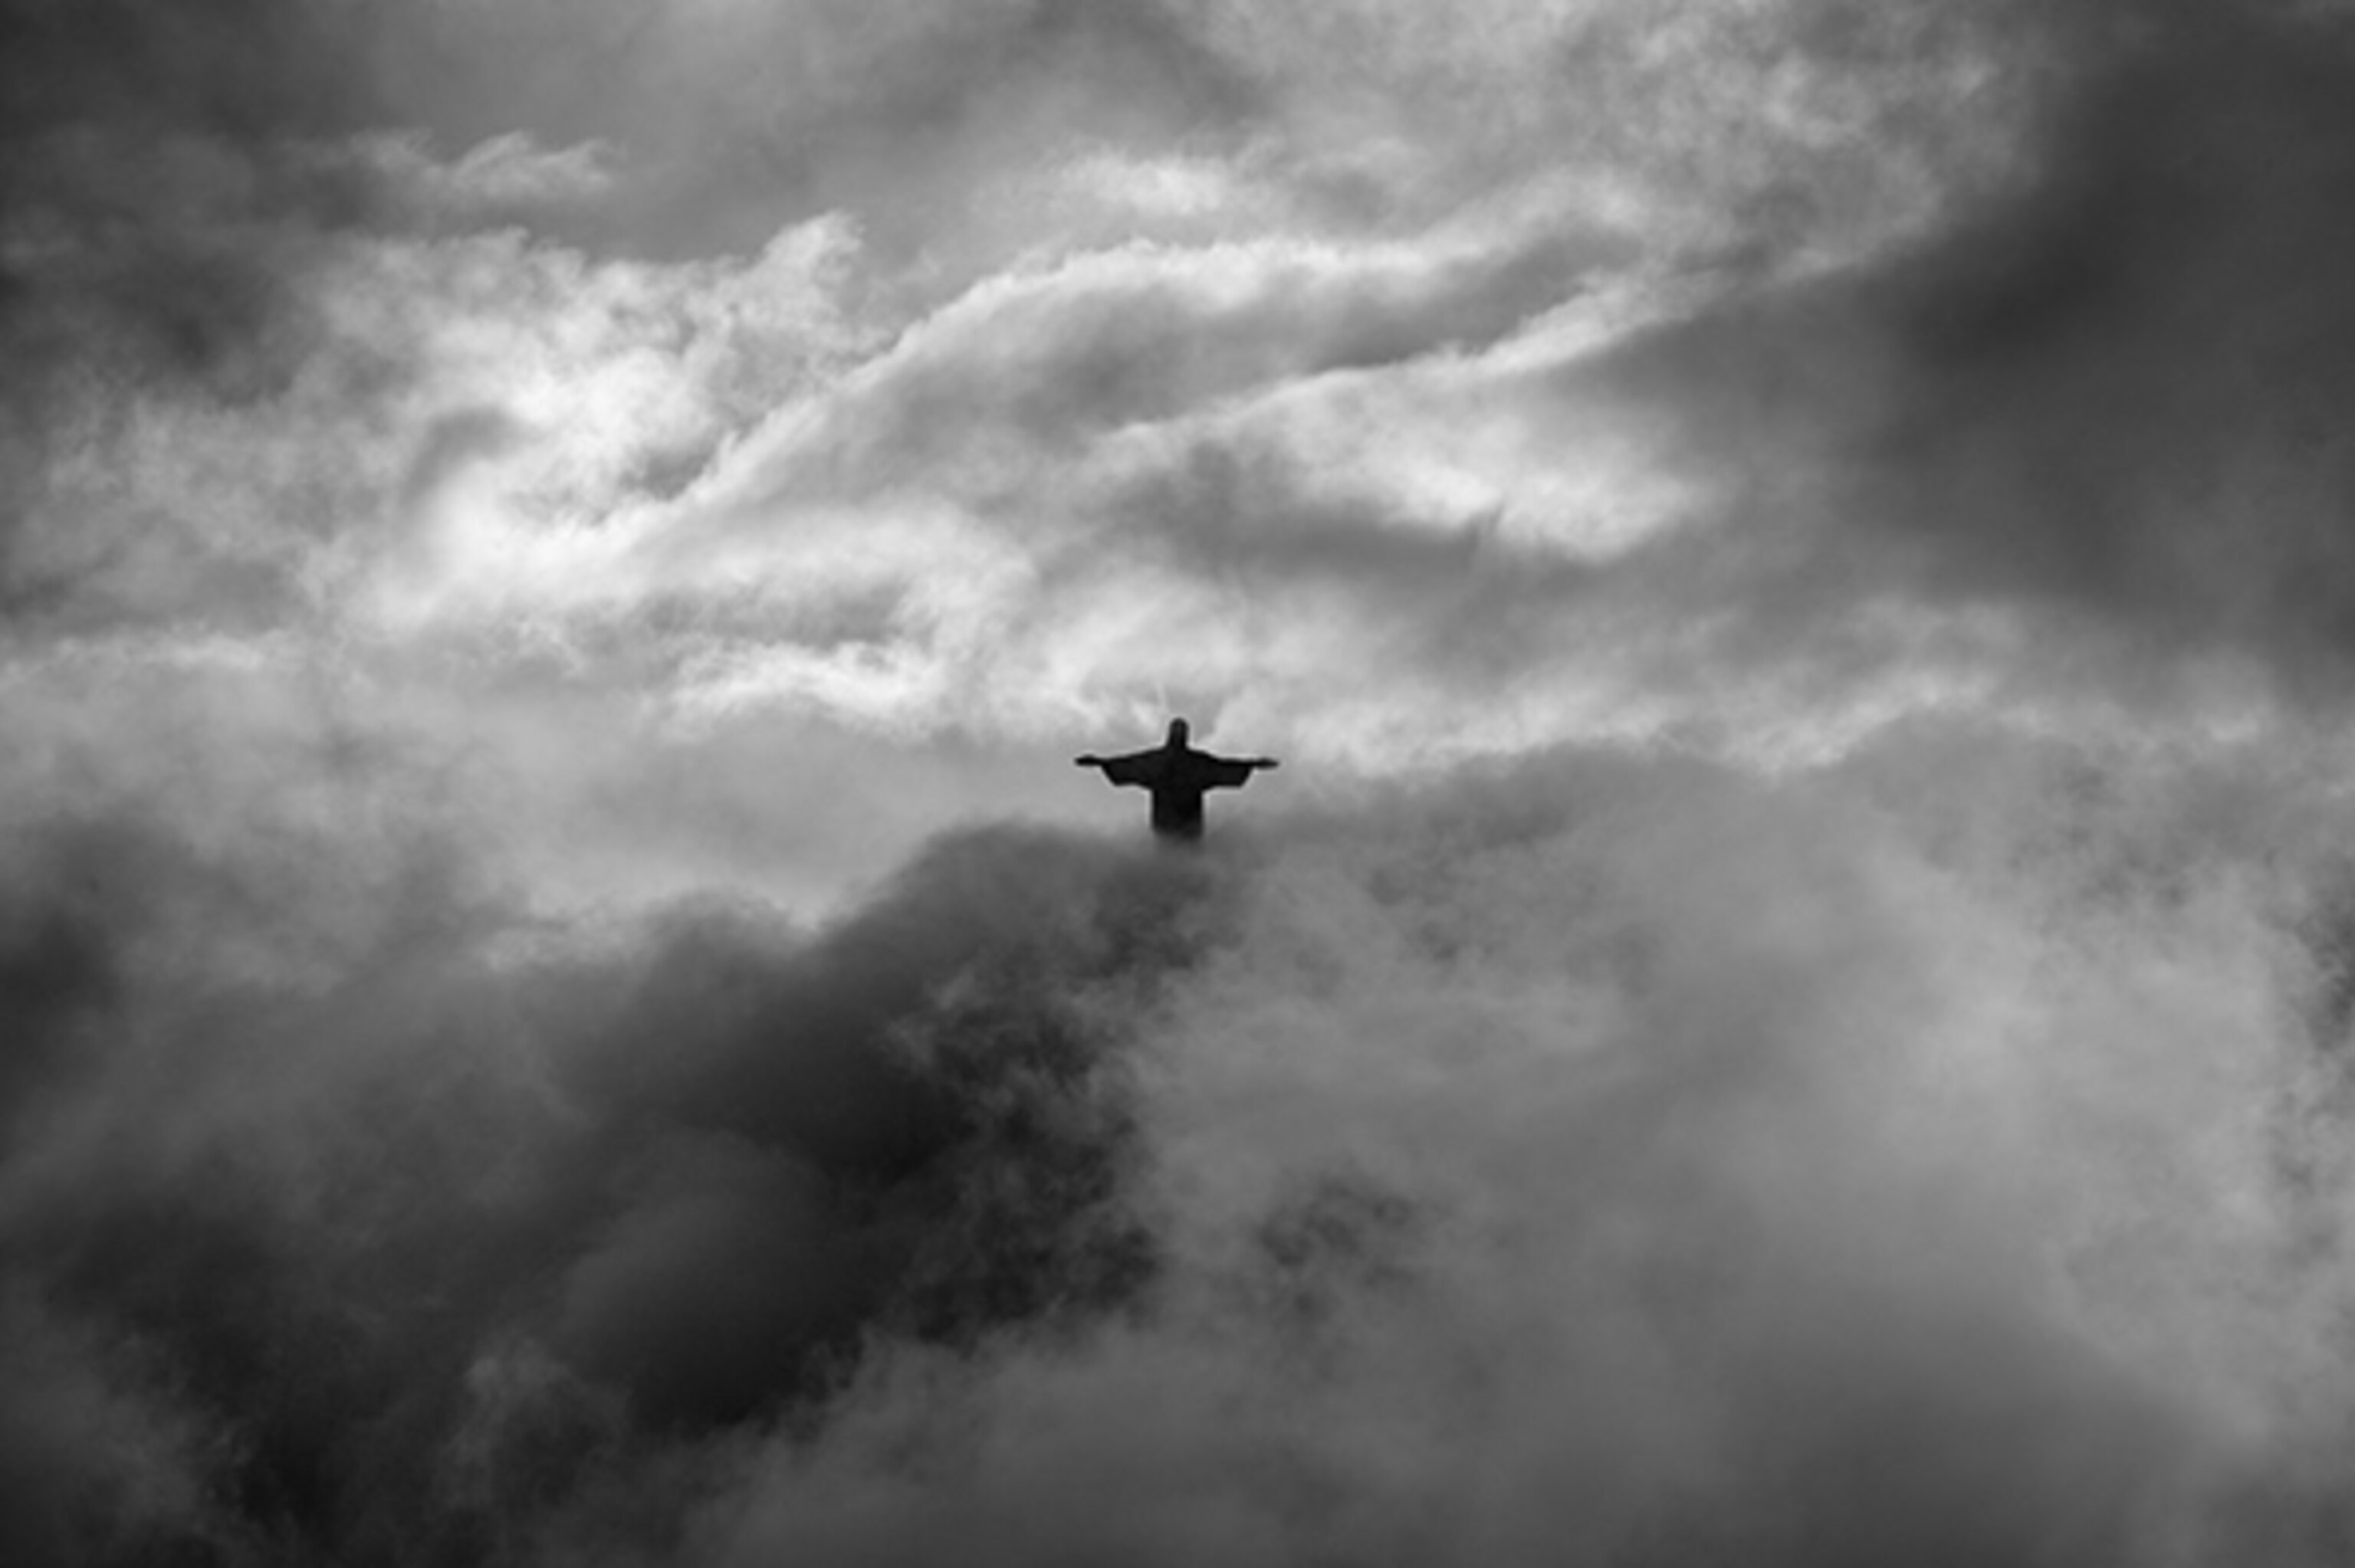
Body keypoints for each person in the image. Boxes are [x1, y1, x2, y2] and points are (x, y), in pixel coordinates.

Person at [1075, 717, 1279, 841]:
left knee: (1186, 855)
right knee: (1167, 853)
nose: (1179, 735)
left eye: (1182, 732)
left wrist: (1252, 764)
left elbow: (1223, 766)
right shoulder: (1158, 762)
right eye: (1177, 731)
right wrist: (1101, 762)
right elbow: (1128, 764)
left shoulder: (1195, 764)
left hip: (1189, 823)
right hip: (1166, 821)